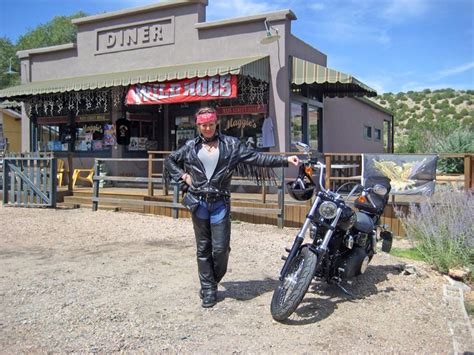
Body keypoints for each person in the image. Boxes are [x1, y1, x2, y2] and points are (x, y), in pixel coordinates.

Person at [165, 107, 299, 308]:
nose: (207, 128)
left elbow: (257, 158)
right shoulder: (191, 146)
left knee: (220, 249)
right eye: (203, 124)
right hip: (198, 201)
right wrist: (183, 176)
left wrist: (284, 159)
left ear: (216, 123)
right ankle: (209, 290)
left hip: (220, 202)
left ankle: (211, 281)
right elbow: (169, 160)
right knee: (203, 248)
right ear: (198, 125)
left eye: (210, 124)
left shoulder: (231, 145)